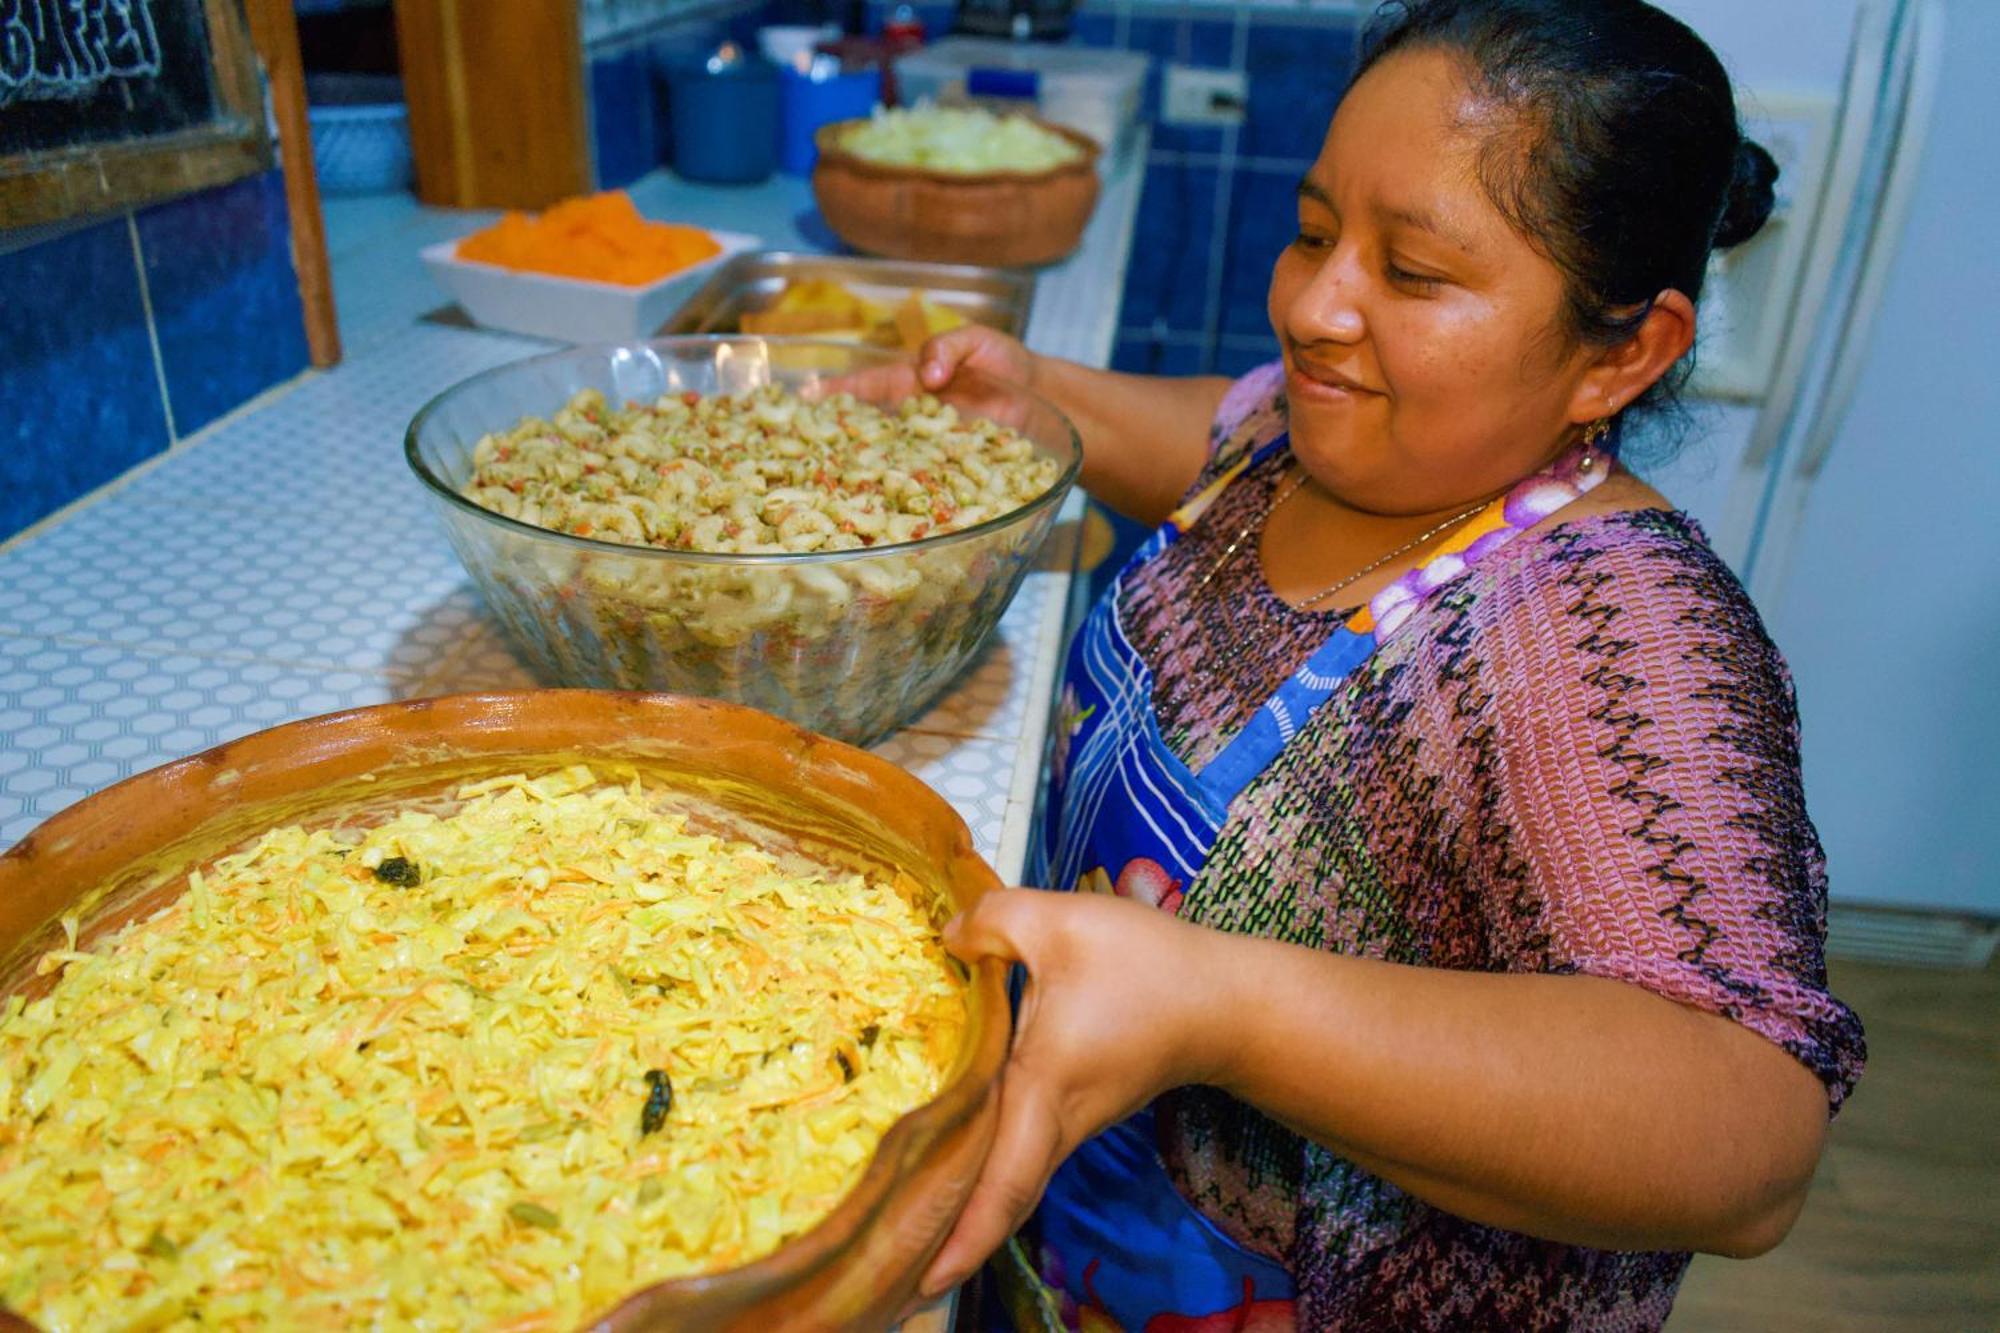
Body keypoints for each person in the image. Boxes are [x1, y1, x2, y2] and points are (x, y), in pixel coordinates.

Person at [858, 1, 1866, 1327]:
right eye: (1317, 232)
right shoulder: (1334, 432)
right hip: (1068, 1244)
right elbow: (1219, 444)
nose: (1313, 306)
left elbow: (1749, 1134)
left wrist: (1220, 1003)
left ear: (1623, 353)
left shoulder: (1611, 632)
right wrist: (1039, 399)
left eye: (1416, 272)